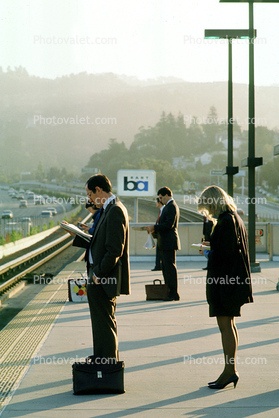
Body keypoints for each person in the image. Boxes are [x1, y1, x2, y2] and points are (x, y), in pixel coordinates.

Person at [63, 174, 130, 362]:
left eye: (90, 194)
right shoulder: (108, 208)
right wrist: (76, 234)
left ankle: (108, 364)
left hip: (103, 277)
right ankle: (102, 358)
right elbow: (98, 241)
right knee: (101, 323)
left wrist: (98, 274)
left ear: (99, 190)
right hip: (98, 274)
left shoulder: (115, 210)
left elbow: (115, 250)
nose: (90, 199)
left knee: (105, 322)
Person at [198, 185, 253, 389]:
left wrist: (208, 253)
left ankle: (230, 371)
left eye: (207, 207)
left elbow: (224, 254)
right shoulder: (234, 218)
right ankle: (229, 370)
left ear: (213, 202)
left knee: (225, 326)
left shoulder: (226, 221)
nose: (208, 212)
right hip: (233, 282)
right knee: (229, 324)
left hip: (226, 283)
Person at [146, 187, 181, 301]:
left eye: (161, 197)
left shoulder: (171, 206)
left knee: (169, 268)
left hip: (169, 242)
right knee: (166, 268)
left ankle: (173, 292)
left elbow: (168, 225)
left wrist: (154, 227)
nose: (160, 200)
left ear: (166, 195)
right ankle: (170, 291)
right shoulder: (169, 206)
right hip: (165, 242)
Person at [151, 197, 164, 271]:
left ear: (159, 202)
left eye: (156, 201)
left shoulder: (164, 210)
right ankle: (158, 265)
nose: (155, 203)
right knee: (158, 251)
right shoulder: (161, 210)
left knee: (160, 252)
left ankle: (159, 265)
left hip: (162, 235)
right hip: (159, 235)